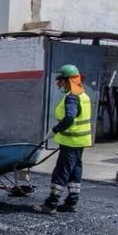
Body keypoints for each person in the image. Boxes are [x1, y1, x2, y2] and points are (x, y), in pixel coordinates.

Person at [34, 64, 93, 214]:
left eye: (60, 80)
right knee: (75, 171)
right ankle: (71, 202)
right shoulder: (84, 95)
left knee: (61, 171)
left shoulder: (72, 97)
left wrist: (54, 130)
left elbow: (69, 118)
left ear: (69, 80)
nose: (58, 84)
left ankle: (51, 204)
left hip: (71, 141)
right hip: (81, 142)